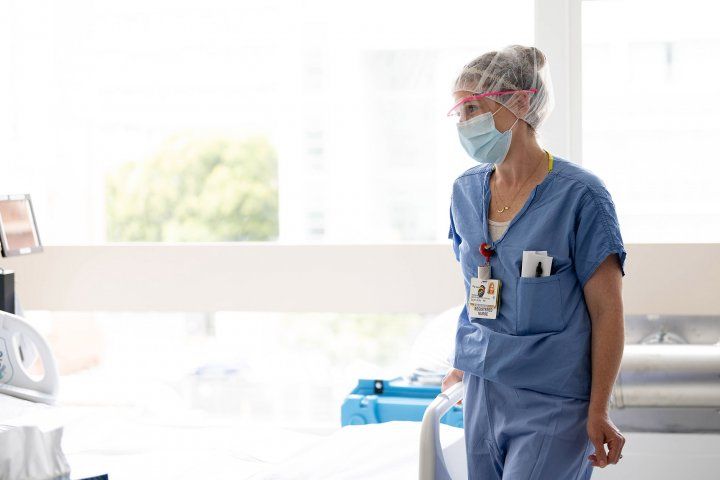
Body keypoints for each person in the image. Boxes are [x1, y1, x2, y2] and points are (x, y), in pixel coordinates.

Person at [442, 45, 627, 479]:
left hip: (553, 399)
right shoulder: (465, 193)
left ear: (521, 103)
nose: (465, 124)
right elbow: (477, 290)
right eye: (459, 113)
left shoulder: (581, 196)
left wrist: (599, 408)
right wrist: (462, 366)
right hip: (482, 394)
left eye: (474, 109)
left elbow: (608, 311)